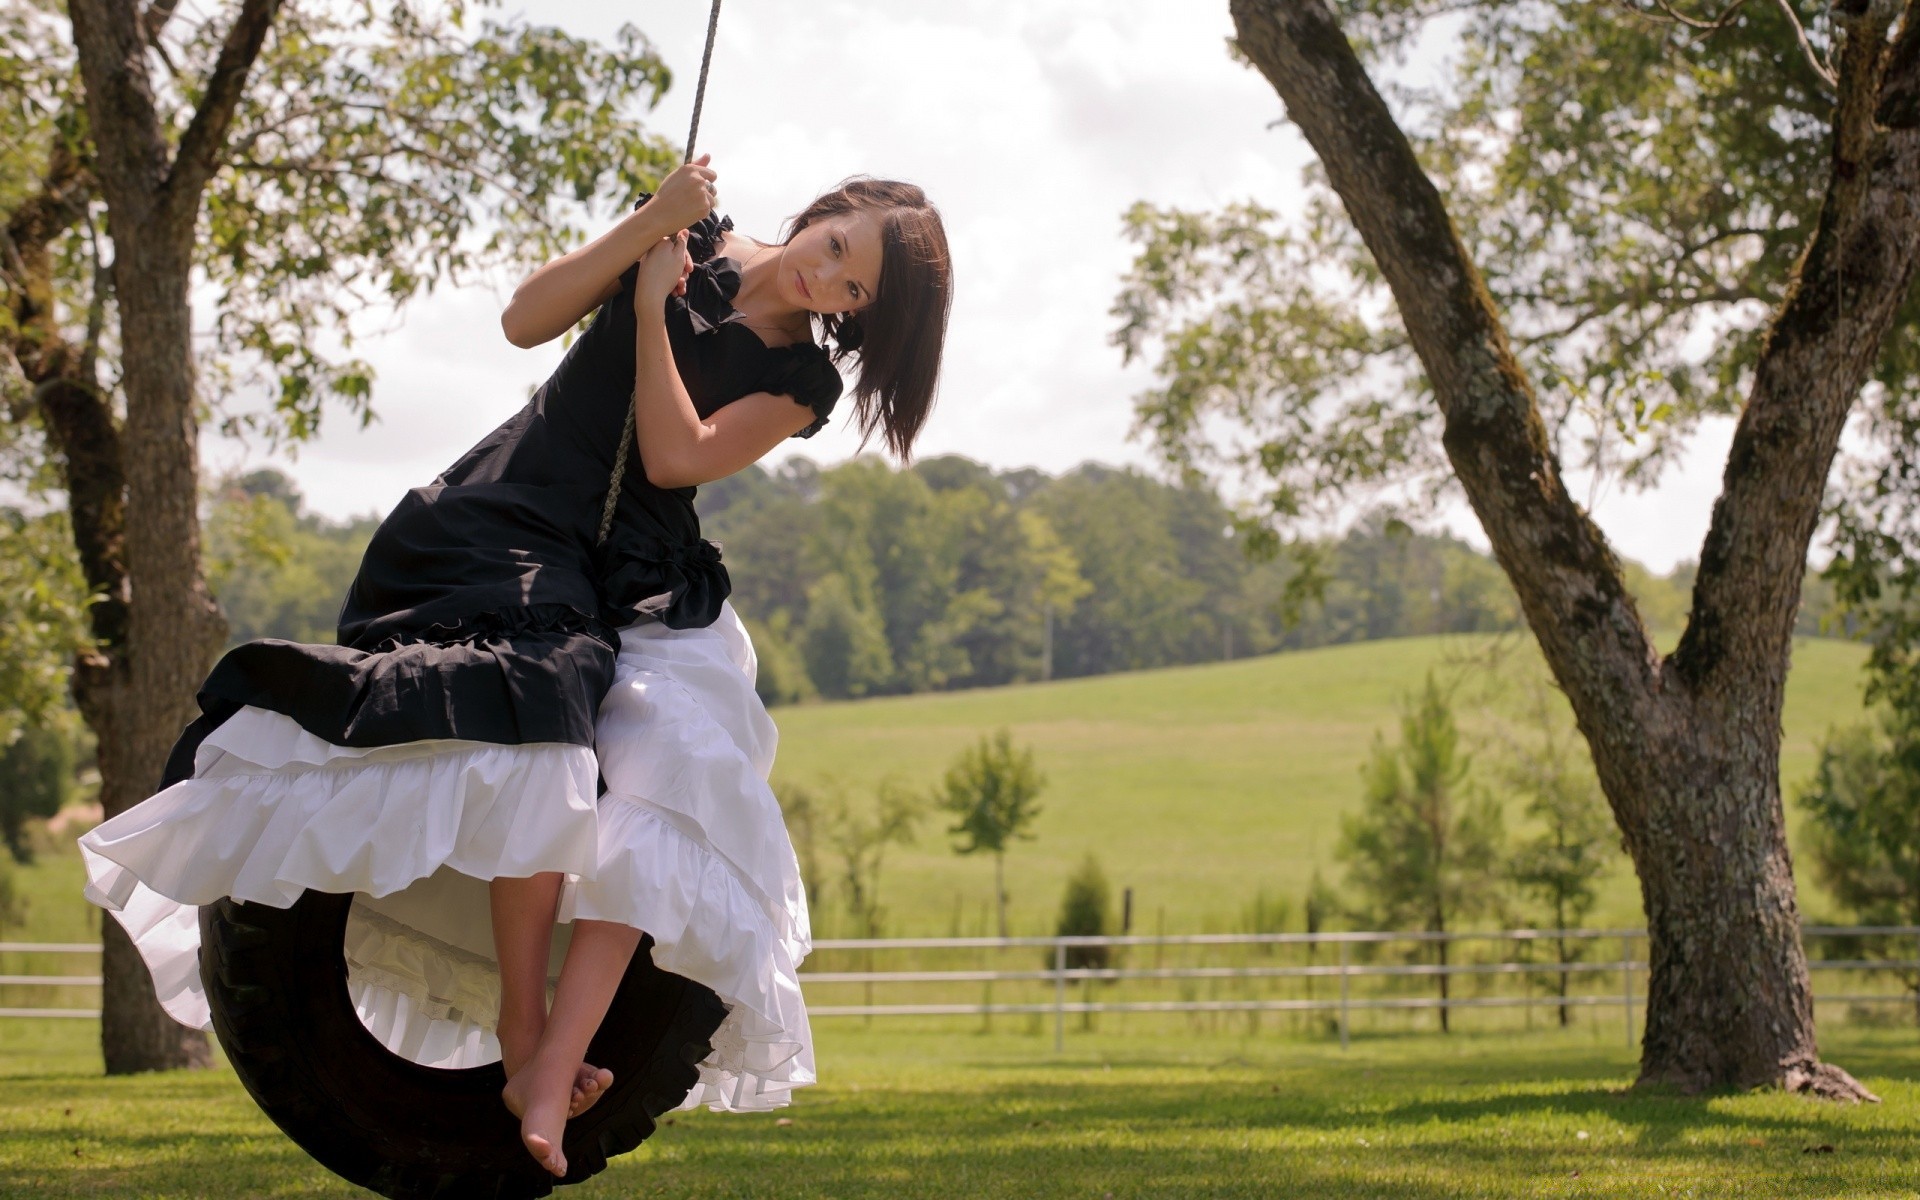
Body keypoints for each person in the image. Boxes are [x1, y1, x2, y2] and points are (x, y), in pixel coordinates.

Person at [78, 155, 953, 1177]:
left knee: (678, 768)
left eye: (854, 293)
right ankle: (526, 1030)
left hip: (634, 573)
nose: (829, 282)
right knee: (544, 709)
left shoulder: (801, 381)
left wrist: (647, 303)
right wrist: (646, 235)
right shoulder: (690, 234)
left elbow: (673, 457)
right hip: (505, 523)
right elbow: (525, 321)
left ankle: (551, 1064)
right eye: (838, 250)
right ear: (827, 212)